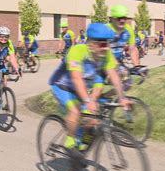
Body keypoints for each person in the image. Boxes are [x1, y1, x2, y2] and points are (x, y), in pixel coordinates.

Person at [48, 23, 131, 160]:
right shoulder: (77, 51)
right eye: (102, 44)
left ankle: (80, 148)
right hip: (63, 86)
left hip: (83, 88)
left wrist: (122, 97)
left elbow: (114, 76)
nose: (105, 48)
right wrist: (88, 101)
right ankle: (69, 143)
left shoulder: (106, 54)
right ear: (91, 43)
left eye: (107, 44)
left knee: (93, 120)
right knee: (75, 111)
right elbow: (76, 78)